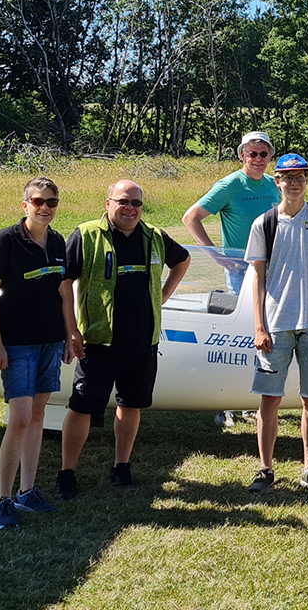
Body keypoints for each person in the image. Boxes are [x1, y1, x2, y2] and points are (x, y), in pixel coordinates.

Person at [54, 180, 190, 500]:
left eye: (136, 204)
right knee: (82, 406)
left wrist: (164, 293)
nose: (130, 209)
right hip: (99, 340)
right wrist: (72, 330)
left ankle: (121, 467)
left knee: (130, 405)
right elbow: (64, 283)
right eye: (123, 202)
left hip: (143, 341)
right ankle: (67, 473)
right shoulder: (86, 235)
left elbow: (182, 260)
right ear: (108, 203)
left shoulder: (154, 236)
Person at [0, 177, 77, 530]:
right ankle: (3, 500)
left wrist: (70, 333)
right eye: (38, 202)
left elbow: (65, 292)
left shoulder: (57, 241)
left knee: (38, 416)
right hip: (17, 342)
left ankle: (27, 491)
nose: (46, 208)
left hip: (51, 340)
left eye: (52, 202)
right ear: (25, 205)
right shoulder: (6, 240)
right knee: (19, 418)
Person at [244, 153, 308, 492]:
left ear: (307, 179)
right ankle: (265, 469)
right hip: (276, 324)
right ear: (277, 181)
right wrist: (259, 326)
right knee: (269, 399)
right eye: (288, 176)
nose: (295, 182)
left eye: (301, 175)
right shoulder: (264, 224)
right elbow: (257, 279)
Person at [183, 130, 280, 428]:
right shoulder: (229, 185)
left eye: (264, 154)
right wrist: (218, 256)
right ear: (242, 155)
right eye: (252, 153)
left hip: (272, 270)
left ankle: (251, 401)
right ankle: (225, 406)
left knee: (267, 334)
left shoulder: (272, 185)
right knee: (240, 338)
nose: (258, 159)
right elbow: (191, 217)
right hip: (242, 273)